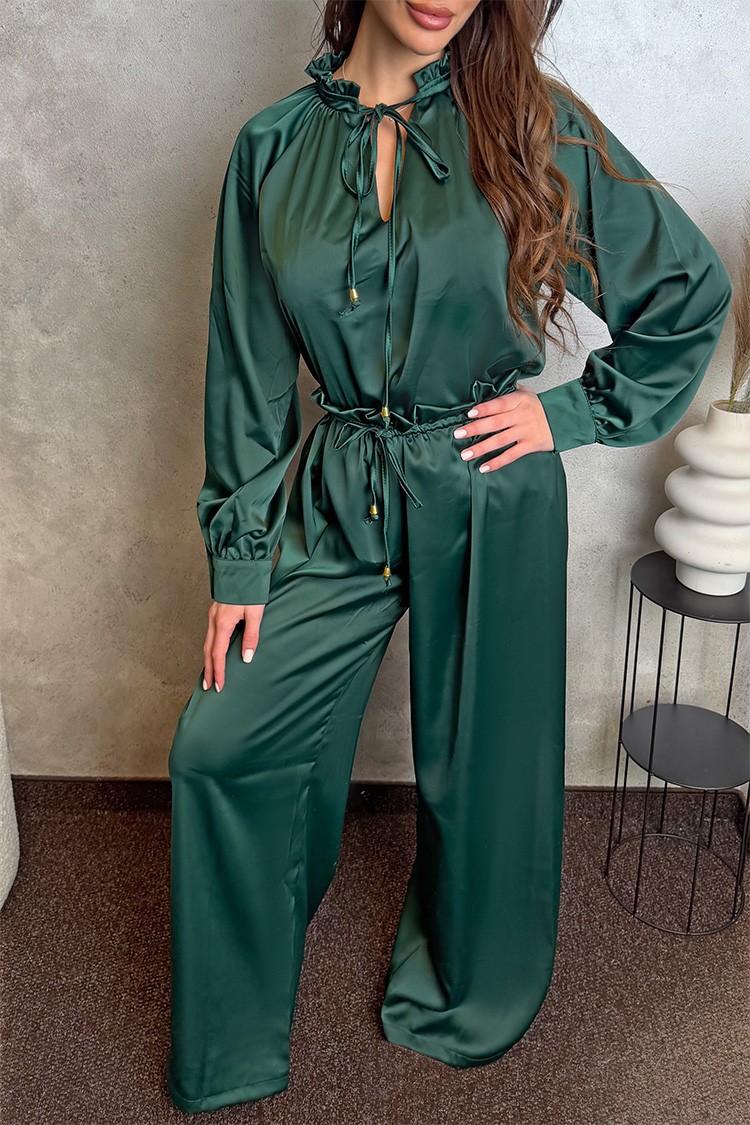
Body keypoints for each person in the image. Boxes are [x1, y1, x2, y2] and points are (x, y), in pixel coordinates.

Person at [165, 0, 733, 1113]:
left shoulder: (530, 123)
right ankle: (228, 1041)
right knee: (222, 744)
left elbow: (687, 292)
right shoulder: (269, 149)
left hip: (486, 478)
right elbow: (246, 372)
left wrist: (566, 414)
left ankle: (468, 993)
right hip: (336, 483)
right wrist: (239, 558)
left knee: (485, 762)